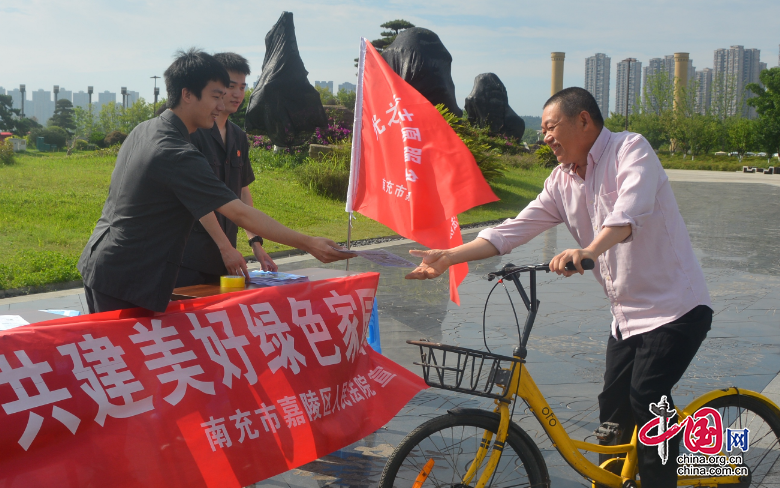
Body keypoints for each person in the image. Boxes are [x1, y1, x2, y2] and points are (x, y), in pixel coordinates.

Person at [406, 87, 712, 487]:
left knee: (647, 397)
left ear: (583, 120)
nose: (545, 137)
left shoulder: (630, 150)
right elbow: (512, 230)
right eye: (544, 131)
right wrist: (449, 256)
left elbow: (628, 214)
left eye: (551, 127)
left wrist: (587, 251)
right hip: (626, 317)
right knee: (613, 409)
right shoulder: (560, 181)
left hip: (676, 309)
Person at [78, 48, 350, 314]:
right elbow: (239, 212)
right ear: (187, 95)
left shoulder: (146, 129)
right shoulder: (175, 152)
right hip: (129, 275)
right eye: (216, 96)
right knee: (134, 356)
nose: (222, 105)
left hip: (108, 263)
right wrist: (309, 243)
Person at [176, 52, 276, 288]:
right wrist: (225, 247)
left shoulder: (238, 137)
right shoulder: (191, 133)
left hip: (225, 258)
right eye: (230, 86)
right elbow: (197, 198)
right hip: (187, 258)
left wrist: (256, 245)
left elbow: (242, 193)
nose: (237, 94)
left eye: (242, 87)